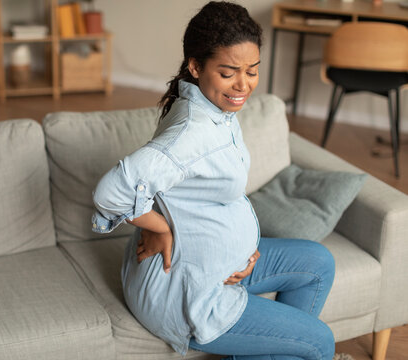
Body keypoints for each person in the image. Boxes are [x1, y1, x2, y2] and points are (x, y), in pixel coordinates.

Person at [91, 2, 336, 359]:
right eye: (229, 72)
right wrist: (159, 227)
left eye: (252, 71)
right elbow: (111, 191)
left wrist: (241, 248)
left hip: (217, 267)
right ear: (196, 66)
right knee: (319, 341)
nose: (243, 84)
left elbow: (199, 194)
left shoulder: (212, 105)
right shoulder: (193, 132)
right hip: (184, 291)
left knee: (318, 263)